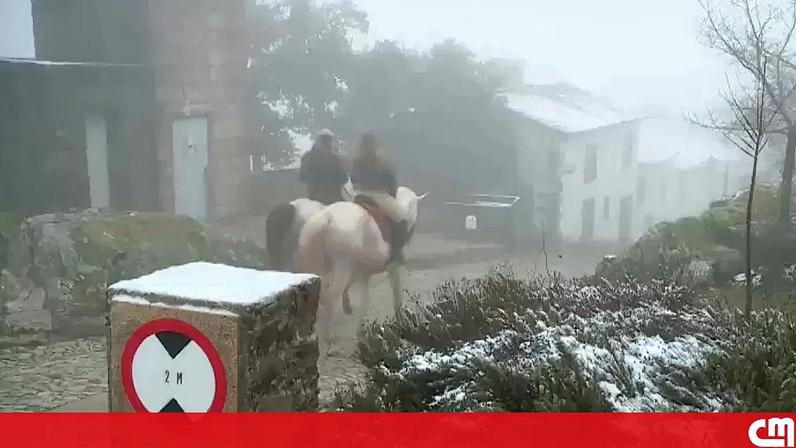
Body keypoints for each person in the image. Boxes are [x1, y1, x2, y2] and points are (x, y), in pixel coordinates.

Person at [349, 132, 408, 264]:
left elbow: (352, 179)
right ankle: (396, 253)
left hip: (358, 195)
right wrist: (392, 196)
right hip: (379, 195)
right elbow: (392, 184)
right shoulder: (384, 163)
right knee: (402, 217)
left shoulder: (355, 161)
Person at [299, 129, 348, 205]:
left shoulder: (307, 157)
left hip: (313, 197)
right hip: (334, 199)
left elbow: (302, 177)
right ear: (330, 142)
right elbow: (344, 179)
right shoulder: (335, 158)